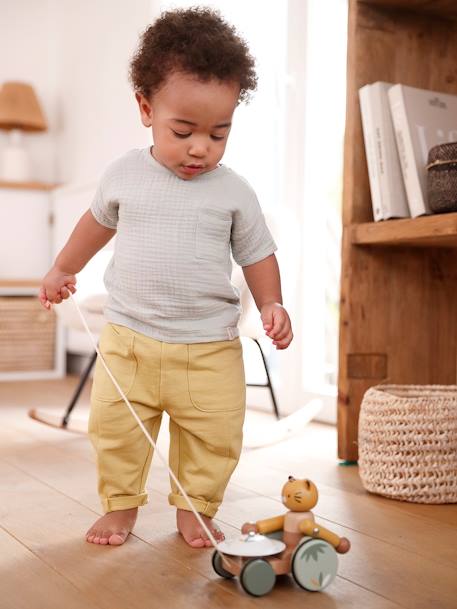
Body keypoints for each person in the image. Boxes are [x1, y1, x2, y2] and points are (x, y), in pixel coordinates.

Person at [39, 6, 293, 549]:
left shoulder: (234, 193)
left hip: (209, 349)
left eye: (218, 133)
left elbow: (258, 253)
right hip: (129, 339)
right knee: (116, 431)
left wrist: (271, 303)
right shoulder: (124, 175)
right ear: (146, 109)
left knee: (214, 436)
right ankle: (121, 508)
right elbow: (94, 225)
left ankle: (195, 509)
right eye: (184, 131)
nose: (201, 147)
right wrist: (64, 268)